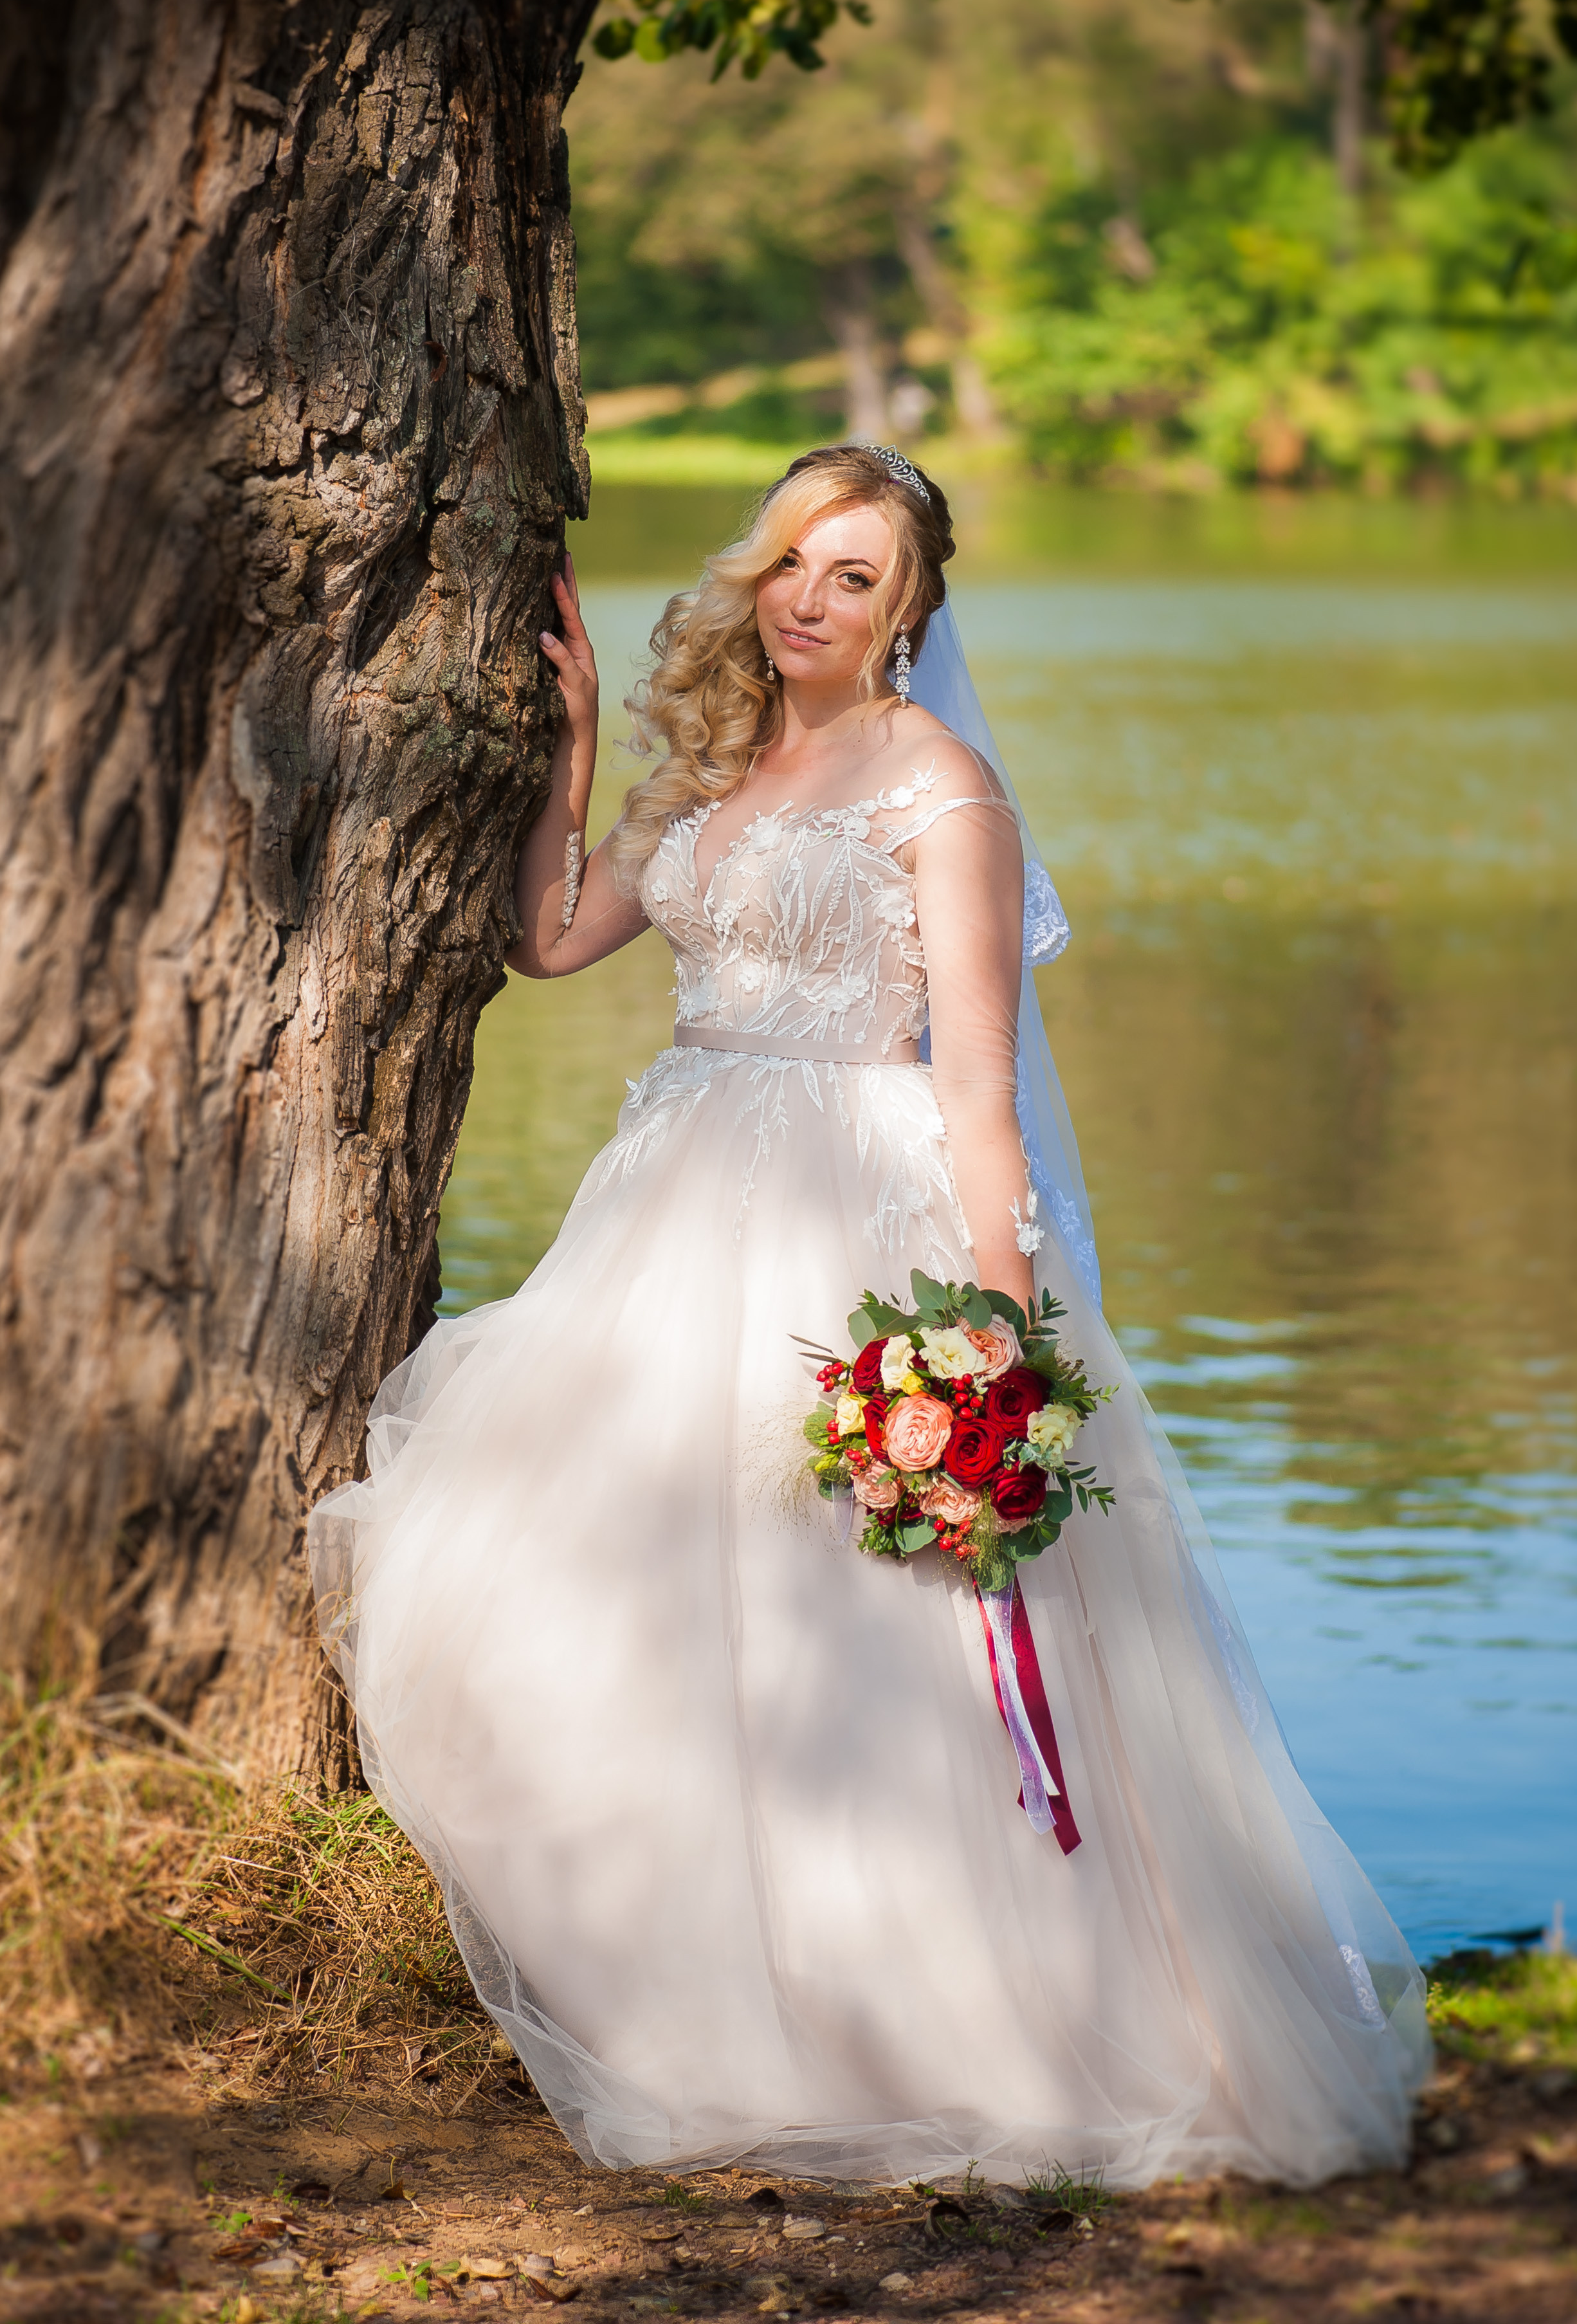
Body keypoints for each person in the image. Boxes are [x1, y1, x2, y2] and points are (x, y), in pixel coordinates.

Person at [308, 446, 1428, 2190]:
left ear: (909, 610)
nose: (807, 599)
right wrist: (582, 743)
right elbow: (546, 936)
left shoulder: (945, 791)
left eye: (851, 576)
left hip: (854, 1212)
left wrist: (997, 1340)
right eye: (789, 562)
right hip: (674, 1201)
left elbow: (978, 1089)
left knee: (855, 1611)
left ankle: (931, 2021)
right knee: (627, 1588)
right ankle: (693, 1983)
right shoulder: (718, 770)